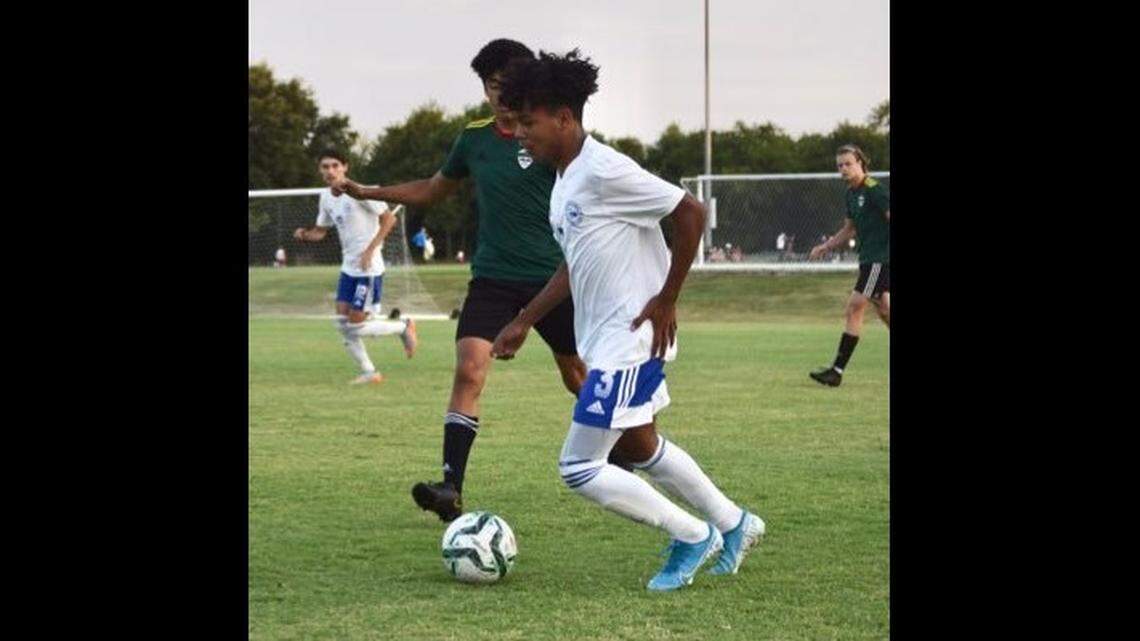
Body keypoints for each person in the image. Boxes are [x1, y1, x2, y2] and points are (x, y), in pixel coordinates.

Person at [491, 49, 764, 591]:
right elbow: (576, 262)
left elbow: (691, 212)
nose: (519, 133)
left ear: (564, 118)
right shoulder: (565, 180)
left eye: (528, 121)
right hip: (610, 343)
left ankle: (692, 535)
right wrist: (524, 320)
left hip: (631, 342)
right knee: (639, 447)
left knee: (579, 467)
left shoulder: (604, 169)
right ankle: (734, 524)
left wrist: (667, 298)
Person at [333, 39, 594, 521]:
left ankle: (627, 447)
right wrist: (366, 191)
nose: (497, 95)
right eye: (489, 86)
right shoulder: (473, 139)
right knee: (469, 369)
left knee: (577, 376)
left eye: (504, 85)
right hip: (492, 278)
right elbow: (433, 190)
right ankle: (450, 487)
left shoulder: (556, 134)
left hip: (554, 279)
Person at [293, 149, 418, 385]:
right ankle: (369, 372)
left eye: (334, 166)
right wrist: (305, 234)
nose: (330, 171)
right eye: (325, 167)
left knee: (357, 324)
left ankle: (403, 326)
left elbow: (389, 218)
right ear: (320, 171)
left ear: (345, 167)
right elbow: (321, 231)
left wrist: (371, 250)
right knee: (342, 324)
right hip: (348, 268)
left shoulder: (361, 192)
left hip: (369, 268)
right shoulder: (326, 197)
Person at [807, 144, 890, 387]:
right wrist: (826, 246)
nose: (843, 169)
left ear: (861, 164)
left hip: (880, 259)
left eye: (848, 164)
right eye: (840, 165)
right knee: (884, 310)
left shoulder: (874, 190)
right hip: (868, 259)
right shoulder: (850, 194)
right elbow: (849, 229)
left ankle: (837, 371)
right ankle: (836, 371)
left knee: (854, 308)